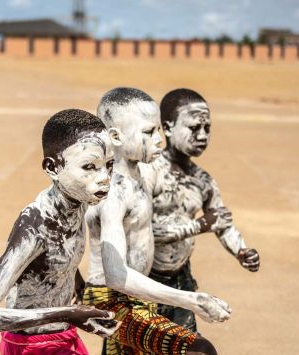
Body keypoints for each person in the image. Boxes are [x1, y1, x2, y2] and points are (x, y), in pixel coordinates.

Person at [0, 109, 120, 355]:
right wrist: (68, 313)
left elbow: (58, 254)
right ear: (52, 167)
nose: (104, 178)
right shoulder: (34, 225)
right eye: (89, 166)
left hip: (64, 336)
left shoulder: (79, 200)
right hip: (31, 347)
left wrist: (77, 285)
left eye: (109, 165)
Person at [83, 88, 229, 355]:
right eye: (149, 133)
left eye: (159, 130)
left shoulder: (139, 173)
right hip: (115, 302)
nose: (160, 141)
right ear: (115, 136)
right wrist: (192, 300)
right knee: (199, 350)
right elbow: (116, 276)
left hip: (138, 299)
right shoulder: (113, 192)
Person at [148, 88, 260, 332]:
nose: (202, 135)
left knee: (188, 345)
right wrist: (199, 225)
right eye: (193, 128)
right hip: (144, 283)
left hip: (181, 280)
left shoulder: (203, 181)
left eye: (207, 128)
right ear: (167, 128)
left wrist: (241, 250)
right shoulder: (149, 172)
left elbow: (222, 223)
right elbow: (141, 232)